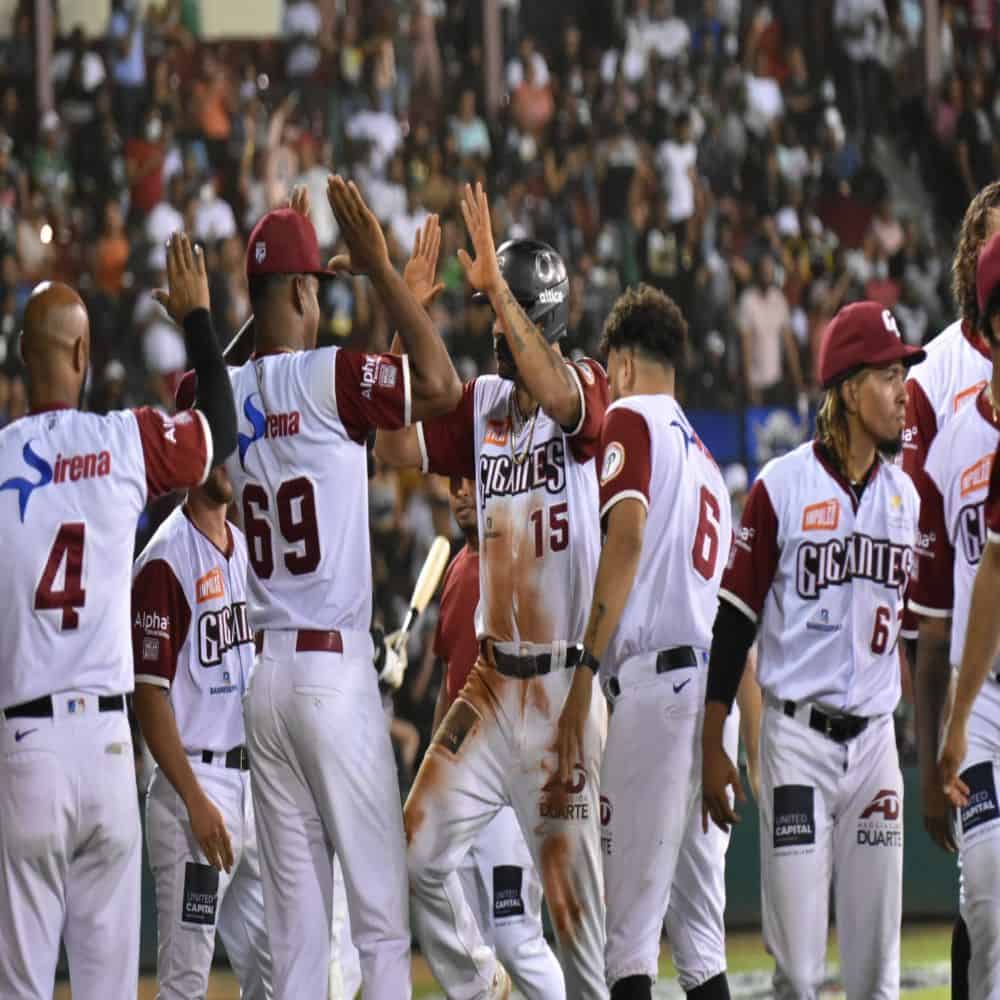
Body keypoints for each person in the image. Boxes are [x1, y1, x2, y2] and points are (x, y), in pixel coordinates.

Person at [227, 177, 461, 999]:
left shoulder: (219, 396)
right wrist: (382, 274)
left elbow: (244, 388)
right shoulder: (330, 375)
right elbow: (440, 386)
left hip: (265, 682)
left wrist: (276, 264)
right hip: (332, 675)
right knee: (380, 924)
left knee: (296, 944)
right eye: (315, 286)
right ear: (301, 290)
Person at [376, 182, 610, 999]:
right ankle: (485, 990)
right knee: (413, 851)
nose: (492, 340)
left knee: (578, 925)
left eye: (503, 321)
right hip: (490, 678)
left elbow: (559, 396)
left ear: (533, 315)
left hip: (561, 689)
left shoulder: (582, 381)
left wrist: (497, 290)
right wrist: (405, 314)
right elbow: (395, 440)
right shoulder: (481, 405)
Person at [0, 236, 236, 1000]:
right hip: (106, 749)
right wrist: (199, 319)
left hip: (23, 745)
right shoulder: (122, 441)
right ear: (82, 353)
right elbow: (220, 432)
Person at [702, 301, 924, 999]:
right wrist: (714, 741)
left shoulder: (906, 498)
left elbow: (912, 629)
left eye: (905, 375)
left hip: (876, 752)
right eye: (889, 376)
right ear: (850, 390)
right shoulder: (780, 487)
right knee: (798, 974)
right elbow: (733, 622)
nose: (902, 392)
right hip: (796, 741)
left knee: (875, 977)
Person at [552, 283, 732, 1000]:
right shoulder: (709, 461)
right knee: (701, 946)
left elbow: (623, 540)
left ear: (621, 362)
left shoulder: (629, 417)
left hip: (654, 693)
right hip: (703, 689)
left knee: (626, 945)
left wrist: (583, 672)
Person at [132, 377, 270, 1000]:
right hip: (196, 792)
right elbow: (149, 695)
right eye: (213, 446)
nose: (227, 460)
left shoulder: (245, 549)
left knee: (273, 972)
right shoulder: (164, 559)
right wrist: (196, 801)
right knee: (186, 985)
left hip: (250, 786)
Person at [904, 180, 1000, 992]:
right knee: (986, 896)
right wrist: (936, 725)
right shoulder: (935, 377)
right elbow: (932, 589)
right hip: (978, 672)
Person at [434, 474, 566, 1000]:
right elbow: (450, 682)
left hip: (511, 782)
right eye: (452, 484)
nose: (461, 492)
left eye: (470, 481)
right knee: (471, 940)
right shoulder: (453, 573)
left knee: (514, 937)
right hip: (460, 779)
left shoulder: (521, 561)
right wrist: (436, 763)